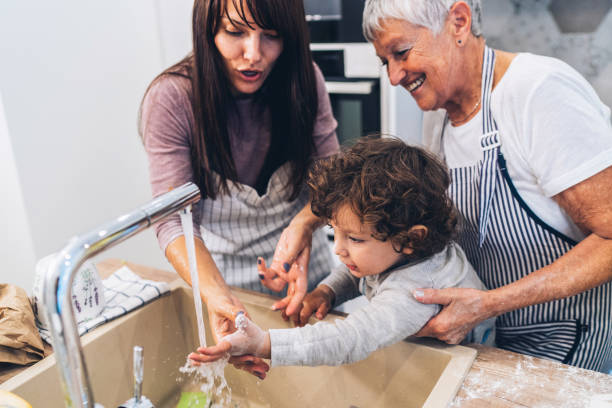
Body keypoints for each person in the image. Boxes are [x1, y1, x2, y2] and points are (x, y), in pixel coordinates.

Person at [356, 0, 612, 371]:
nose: (394, 77)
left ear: (459, 22)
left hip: (572, 339)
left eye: (401, 52)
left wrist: (489, 303)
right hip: (488, 340)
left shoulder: (537, 92)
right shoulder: (439, 119)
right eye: (386, 62)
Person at [139, 0, 339, 379]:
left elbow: (332, 183)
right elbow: (173, 223)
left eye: (272, 36)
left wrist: (303, 226)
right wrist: (220, 300)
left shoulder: (304, 79)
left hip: (306, 277)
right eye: (235, 33)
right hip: (223, 278)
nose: (254, 55)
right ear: (207, 29)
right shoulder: (173, 98)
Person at [189, 137, 495, 367]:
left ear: (411, 239)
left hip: (469, 365)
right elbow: (364, 272)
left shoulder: (416, 291)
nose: (339, 250)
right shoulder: (401, 249)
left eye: (355, 240)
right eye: (336, 233)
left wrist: (264, 343)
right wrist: (327, 291)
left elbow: (350, 339)